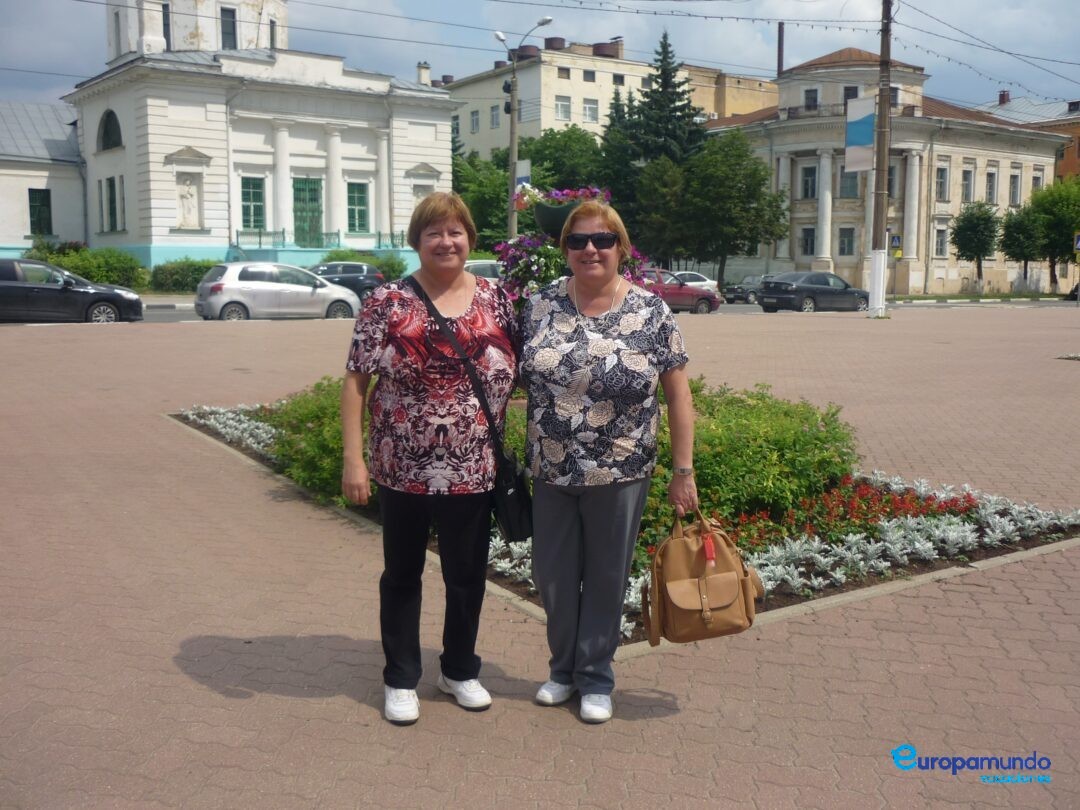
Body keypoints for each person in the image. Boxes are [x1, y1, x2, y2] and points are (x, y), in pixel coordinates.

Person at [340, 192, 517, 726]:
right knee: (402, 574)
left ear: (470, 239)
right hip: (402, 468)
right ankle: (400, 678)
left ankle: (459, 669)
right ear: (417, 241)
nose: (447, 241)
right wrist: (355, 460)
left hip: (473, 467)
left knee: (467, 575)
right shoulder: (387, 302)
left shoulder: (497, 298)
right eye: (434, 232)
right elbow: (355, 381)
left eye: (456, 231)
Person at [519, 200, 697, 724]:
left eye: (601, 240)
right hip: (551, 469)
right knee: (551, 575)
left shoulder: (651, 311)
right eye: (578, 241)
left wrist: (682, 471)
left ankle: (595, 677)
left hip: (620, 470)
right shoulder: (538, 304)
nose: (590, 249)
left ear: (621, 247)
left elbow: (678, 396)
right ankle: (562, 670)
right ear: (565, 249)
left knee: (605, 576)